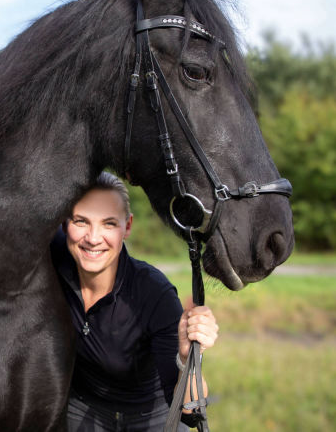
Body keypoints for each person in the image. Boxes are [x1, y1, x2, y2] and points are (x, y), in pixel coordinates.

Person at [50, 172, 219, 431]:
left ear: (127, 227)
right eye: (81, 221)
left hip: (150, 415)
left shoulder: (155, 294)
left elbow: (189, 411)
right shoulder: (54, 256)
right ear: (64, 224)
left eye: (109, 224)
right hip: (83, 406)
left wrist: (188, 359)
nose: (93, 238)